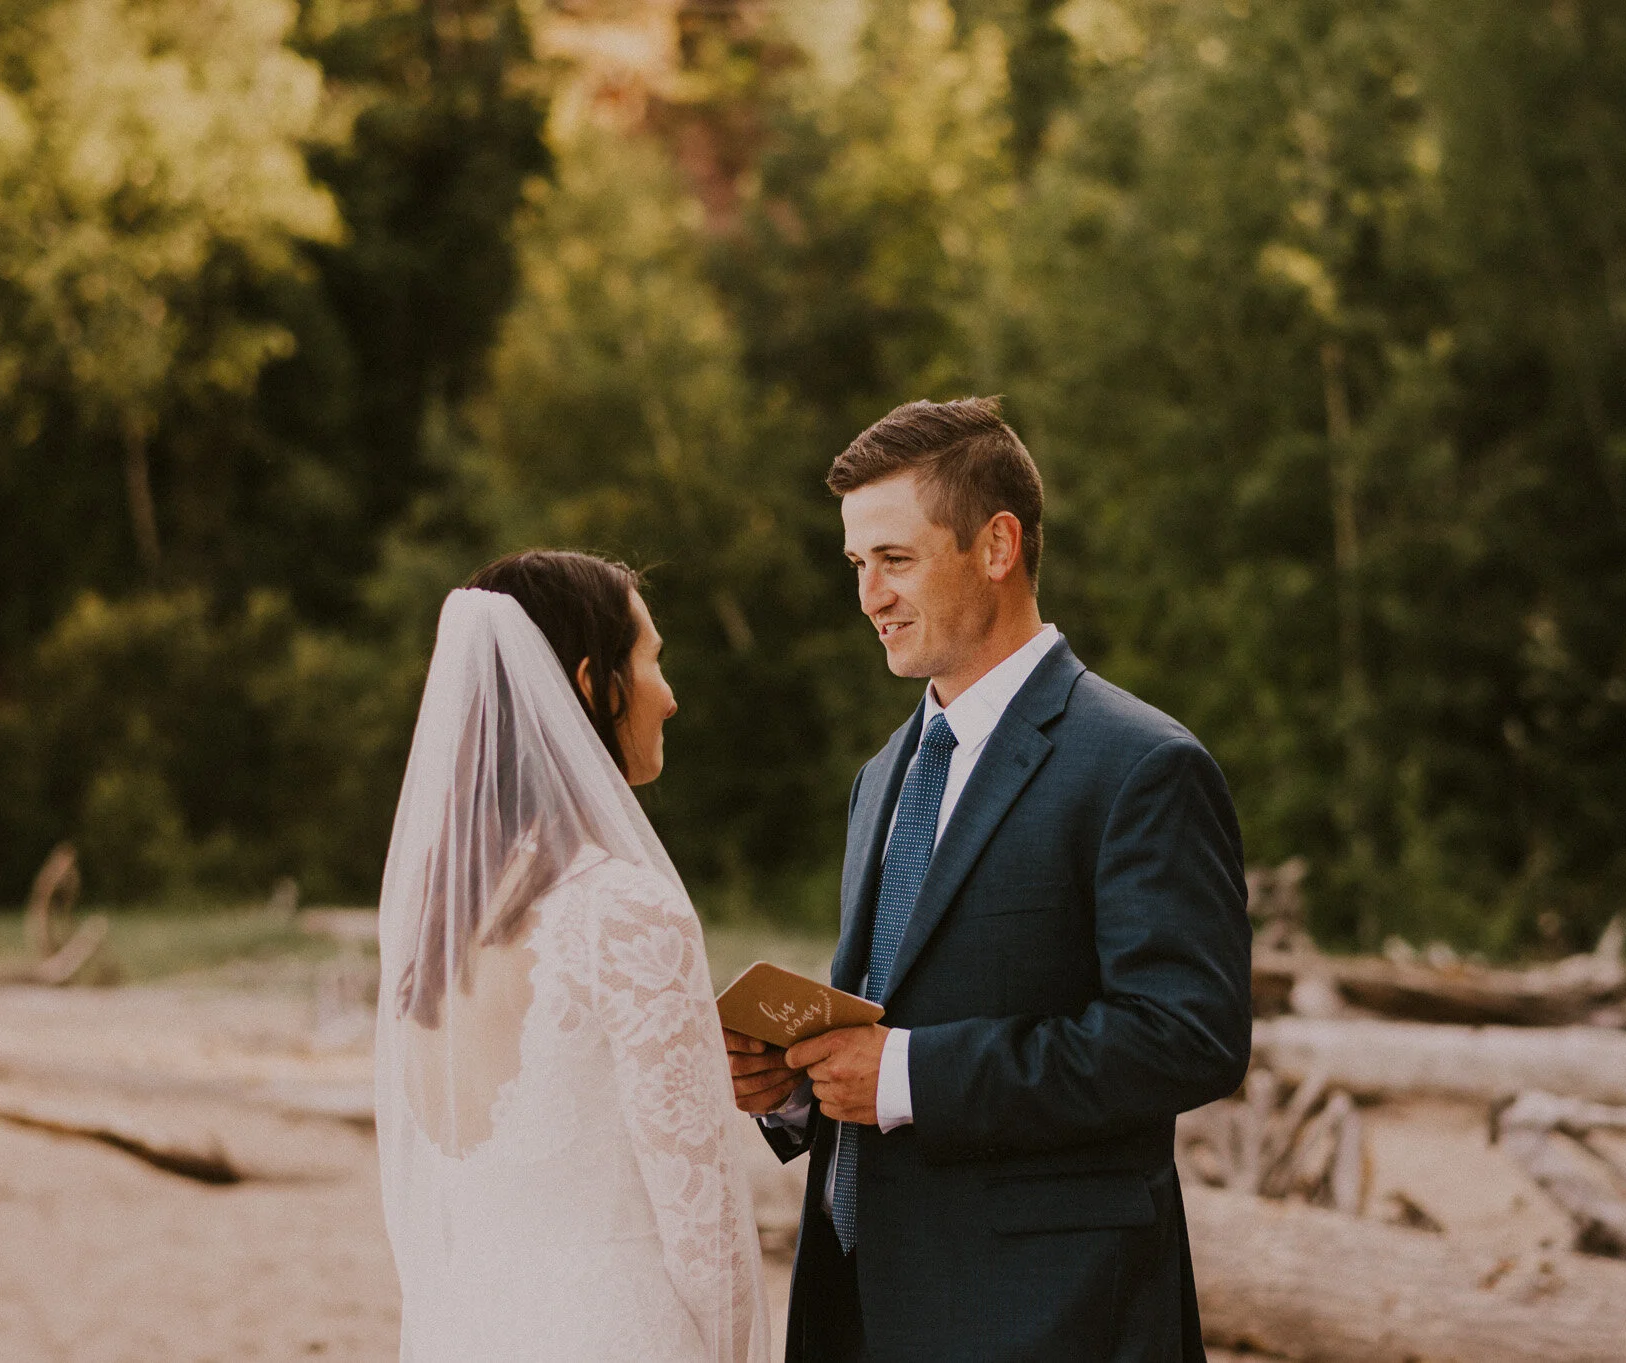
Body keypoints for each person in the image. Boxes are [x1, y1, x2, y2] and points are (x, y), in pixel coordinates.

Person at [723, 398, 1252, 1362]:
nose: (869, 596)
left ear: (997, 544)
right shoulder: (881, 775)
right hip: (859, 1303)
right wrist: (795, 1086)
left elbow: (1190, 1037)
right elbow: (887, 1017)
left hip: (1051, 1313)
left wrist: (912, 1074)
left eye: (896, 559)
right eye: (856, 565)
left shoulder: (1140, 764)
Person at [376, 550, 769, 1363]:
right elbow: (708, 1238)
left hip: (468, 1331)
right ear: (592, 683)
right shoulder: (630, 914)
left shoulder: (434, 923)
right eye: (652, 659)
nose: (670, 695)